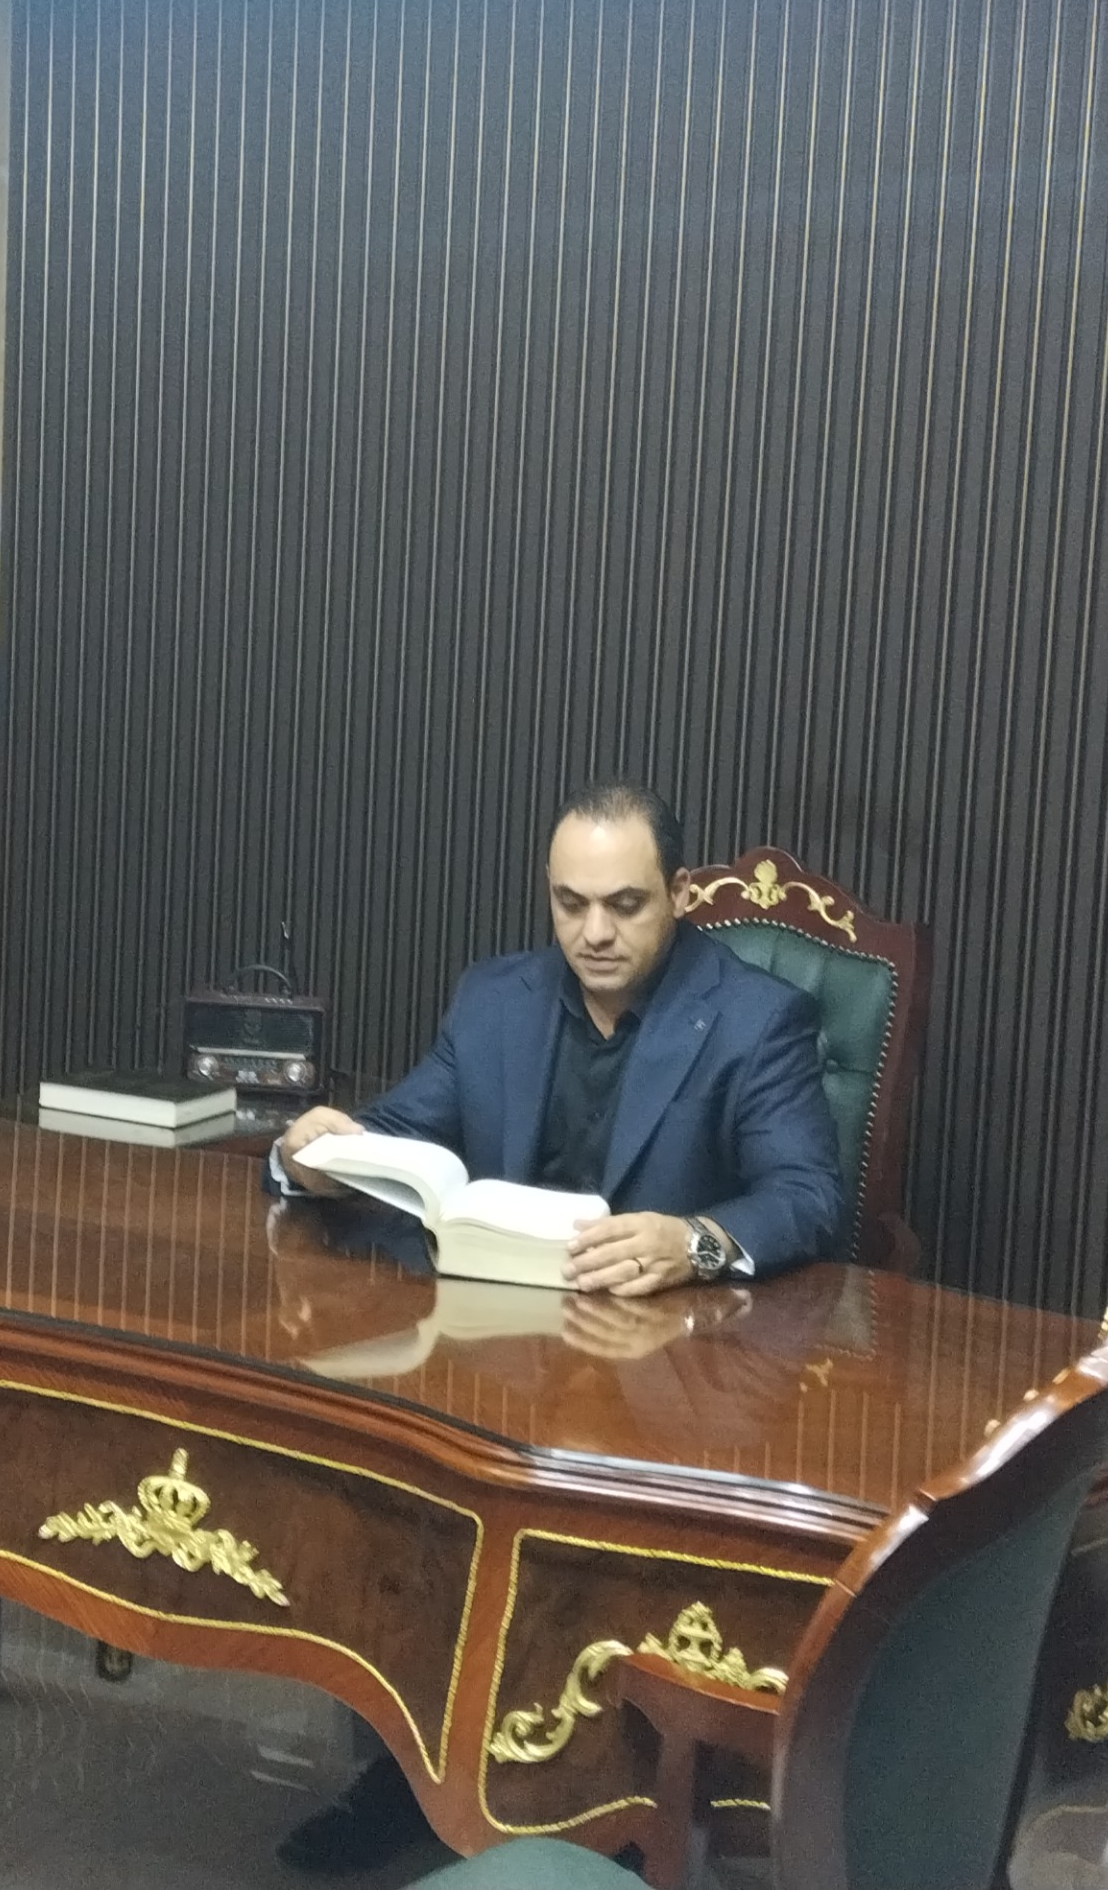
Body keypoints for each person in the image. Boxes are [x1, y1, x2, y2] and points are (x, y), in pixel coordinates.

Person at [263, 776, 840, 1873]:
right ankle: (409, 1780)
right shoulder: (497, 1000)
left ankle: (612, 1806)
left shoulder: (754, 1015)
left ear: (677, 894)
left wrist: (694, 1240)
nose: (593, 932)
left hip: (665, 1380)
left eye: (623, 904)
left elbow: (808, 1195)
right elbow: (400, 1136)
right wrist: (322, 1158)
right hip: (498, 1361)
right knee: (393, 1491)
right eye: (569, 903)